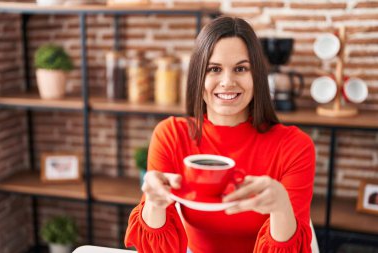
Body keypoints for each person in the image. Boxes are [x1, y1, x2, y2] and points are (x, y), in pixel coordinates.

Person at [125, 16, 315, 253]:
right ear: (197, 76)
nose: (227, 82)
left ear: (257, 76)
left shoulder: (294, 146)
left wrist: (281, 208)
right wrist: (153, 203)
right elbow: (160, 249)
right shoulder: (171, 135)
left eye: (241, 68)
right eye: (214, 69)